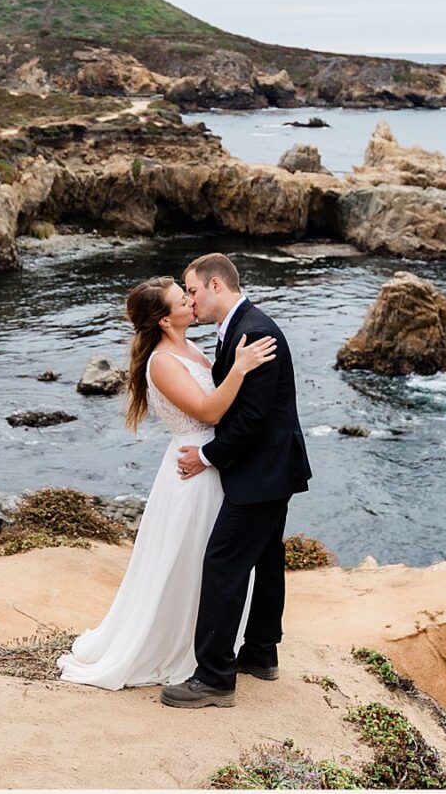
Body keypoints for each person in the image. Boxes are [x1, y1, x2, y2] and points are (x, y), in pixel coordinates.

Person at [56, 274, 277, 689]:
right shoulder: (161, 362)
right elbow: (209, 411)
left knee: (206, 562)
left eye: (188, 295)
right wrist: (242, 369)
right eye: (182, 301)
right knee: (189, 560)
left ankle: (214, 643)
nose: (192, 304)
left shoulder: (190, 346)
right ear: (163, 320)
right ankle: (183, 648)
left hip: (212, 463)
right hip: (191, 469)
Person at [161, 252, 312, 709]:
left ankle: (214, 678)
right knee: (265, 559)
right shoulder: (238, 329)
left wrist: (207, 455)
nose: (190, 300)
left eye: (191, 290)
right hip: (271, 468)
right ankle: (261, 653)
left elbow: (250, 419)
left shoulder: (256, 331)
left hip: (262, 471)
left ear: (215, 286)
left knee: (223, 562)